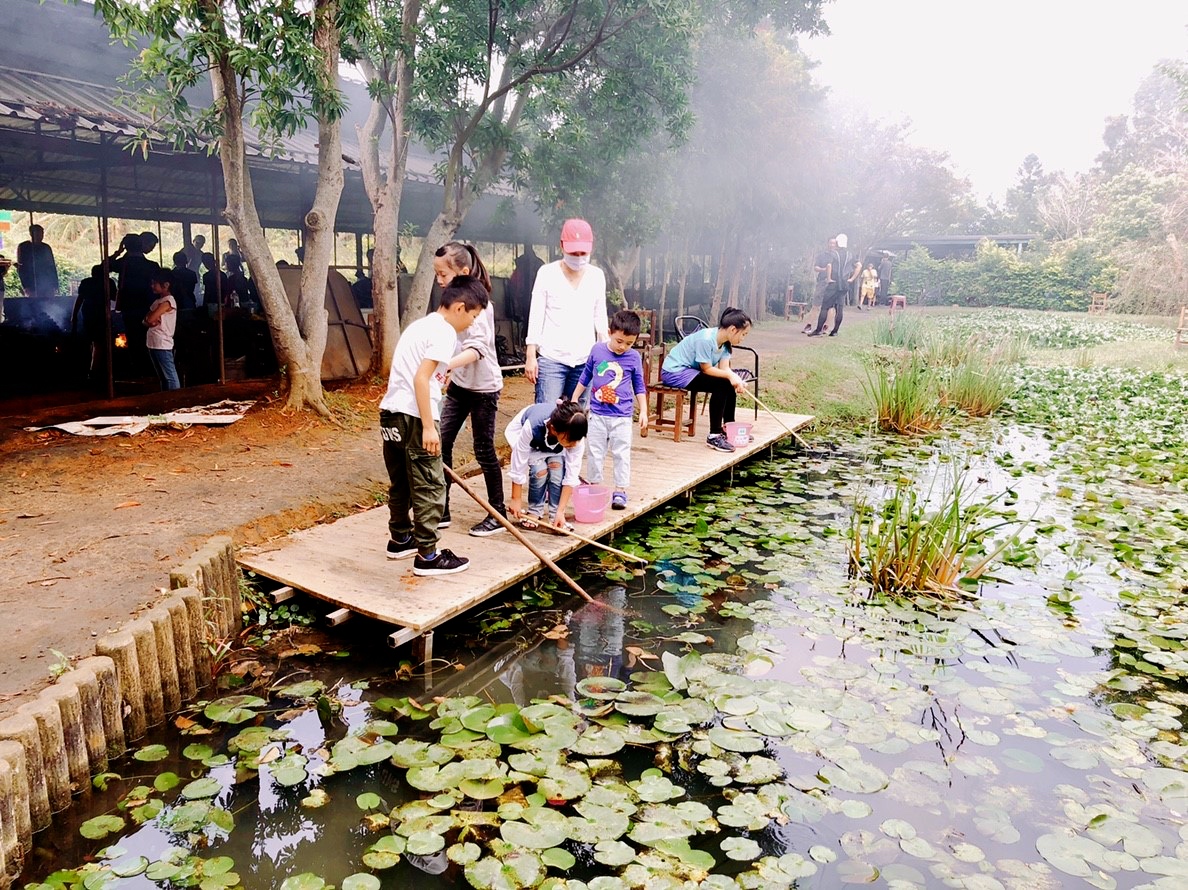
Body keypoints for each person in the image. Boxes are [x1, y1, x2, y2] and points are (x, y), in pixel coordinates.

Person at [380, 275, 488, 577]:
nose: (472, 323)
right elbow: (421, 378)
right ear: (460, 307)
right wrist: (429, 427)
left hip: (391, 413)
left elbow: (419, 371)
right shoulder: (444, 332)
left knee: (401, 481)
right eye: (473, 316)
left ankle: (400, 539)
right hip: (415, 416)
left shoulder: (421, 325)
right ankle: (428, 555)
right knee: (429, 482)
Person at [434, 242, 507, 537]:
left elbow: (476, 349)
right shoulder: (451, 302)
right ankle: (442, 506)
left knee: (483, 450)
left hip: (484, 389)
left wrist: (446, 365)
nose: (439, 281)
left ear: (463, 272)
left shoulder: (481, 306)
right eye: (437, 275)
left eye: (443, 275)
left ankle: (497, 513)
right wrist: (450, 371)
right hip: (460, 385)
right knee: (441, 442)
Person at [524, 218, 609, 405]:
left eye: (583, 253)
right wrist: (531, 355)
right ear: (562, 246)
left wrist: (606, 357)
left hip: (585, 360)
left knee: (577, 418)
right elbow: (536, 315)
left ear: (591, 248)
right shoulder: (547, 273)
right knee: (546, 415)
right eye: (573, 252)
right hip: (552, 358)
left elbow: (600, 319)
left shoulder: (596, 276)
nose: (578, 257)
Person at [571, 309, 648, 510]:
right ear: (609, 332)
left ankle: (620, 491)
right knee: (595, 451)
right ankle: (595, 486)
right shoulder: (597, 350)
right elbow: (586, 375)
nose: (623, 347)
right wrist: (574, 397)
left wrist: (644, 411)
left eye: (629, 343)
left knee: (621, 453)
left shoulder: (633, 358)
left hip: (622, 416)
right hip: (597, 414)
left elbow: (639, 386)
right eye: (619, 341)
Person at [660, 306, 751, 453]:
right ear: (733, 329)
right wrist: (730, 376)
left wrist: (737, 380)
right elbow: (706, 369)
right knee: (722, 384)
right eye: (744, 334)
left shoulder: (726, 344)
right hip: (674, 372)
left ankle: (729, 428)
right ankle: (714, 435)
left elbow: (725, 369)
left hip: (690, 371)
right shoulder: (706, 339)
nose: (743, 338)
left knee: (727, 383)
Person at [505, 400, 589, 530]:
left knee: (557, 467)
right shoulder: (531, 426)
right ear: (554, 430)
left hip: (557, 444)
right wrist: (515, 499)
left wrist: (561, 511)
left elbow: (571, 475)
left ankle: (555, 514)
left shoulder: (575, 436)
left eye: (576, 440)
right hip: (530, 441)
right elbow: (519, 462)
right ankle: (534, 511)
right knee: (540, 470)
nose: (574, 444)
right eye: (570, 440)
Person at [71, 264, 115, 383]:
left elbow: (80, 299)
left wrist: (74, 315)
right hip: (101, 315)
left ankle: (93, 366)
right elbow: (115, 298)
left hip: (89, 314)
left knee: (94, 341)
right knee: (99, 342)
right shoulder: (108, 282)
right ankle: (94, 370)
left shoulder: (87, 282)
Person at [145, 269, 180, 391]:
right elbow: (146, 320)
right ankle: (165, 398)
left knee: (169, 376)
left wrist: (150, 320)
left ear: (166, 285)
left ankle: (176, 398)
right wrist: (149, 320)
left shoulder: (168, 302)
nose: (152, 286)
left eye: (155, 283)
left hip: (162, 342)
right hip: (154, 342)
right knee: (163, 376)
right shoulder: (158, 302)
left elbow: (149, 319)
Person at [808, 233, 848, 337]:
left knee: (830, 307)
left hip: (833, 284)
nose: (832, 245)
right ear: (828, 243)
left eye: (834, 243)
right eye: (831, 242)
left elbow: (831, 266)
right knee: (817, 304)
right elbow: (817, 267)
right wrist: (824, 270)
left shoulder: (838, 255)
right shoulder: (824, 255)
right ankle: (810, 324)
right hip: (823, 281)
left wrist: (830, 277)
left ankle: (824, 327)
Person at [16, 225, 59, 298]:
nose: (41, 236)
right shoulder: (24, 247)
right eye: (38, 233)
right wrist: (26, 286)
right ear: (31, 234)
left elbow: (51, 266)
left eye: (42, 233)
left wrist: (55, 285)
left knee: (47, 306)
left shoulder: (46, 248)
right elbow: (21, 268)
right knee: (34, 305)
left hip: (47, 283)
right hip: (31, 283)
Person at [182, 234, 205, 304]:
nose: (199, 245)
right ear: (193, 241)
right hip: (184, 276)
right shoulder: (186, 251)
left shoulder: (201, 254)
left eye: (201, 244)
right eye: (197, 243)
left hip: (195, 275)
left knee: (196, 293)